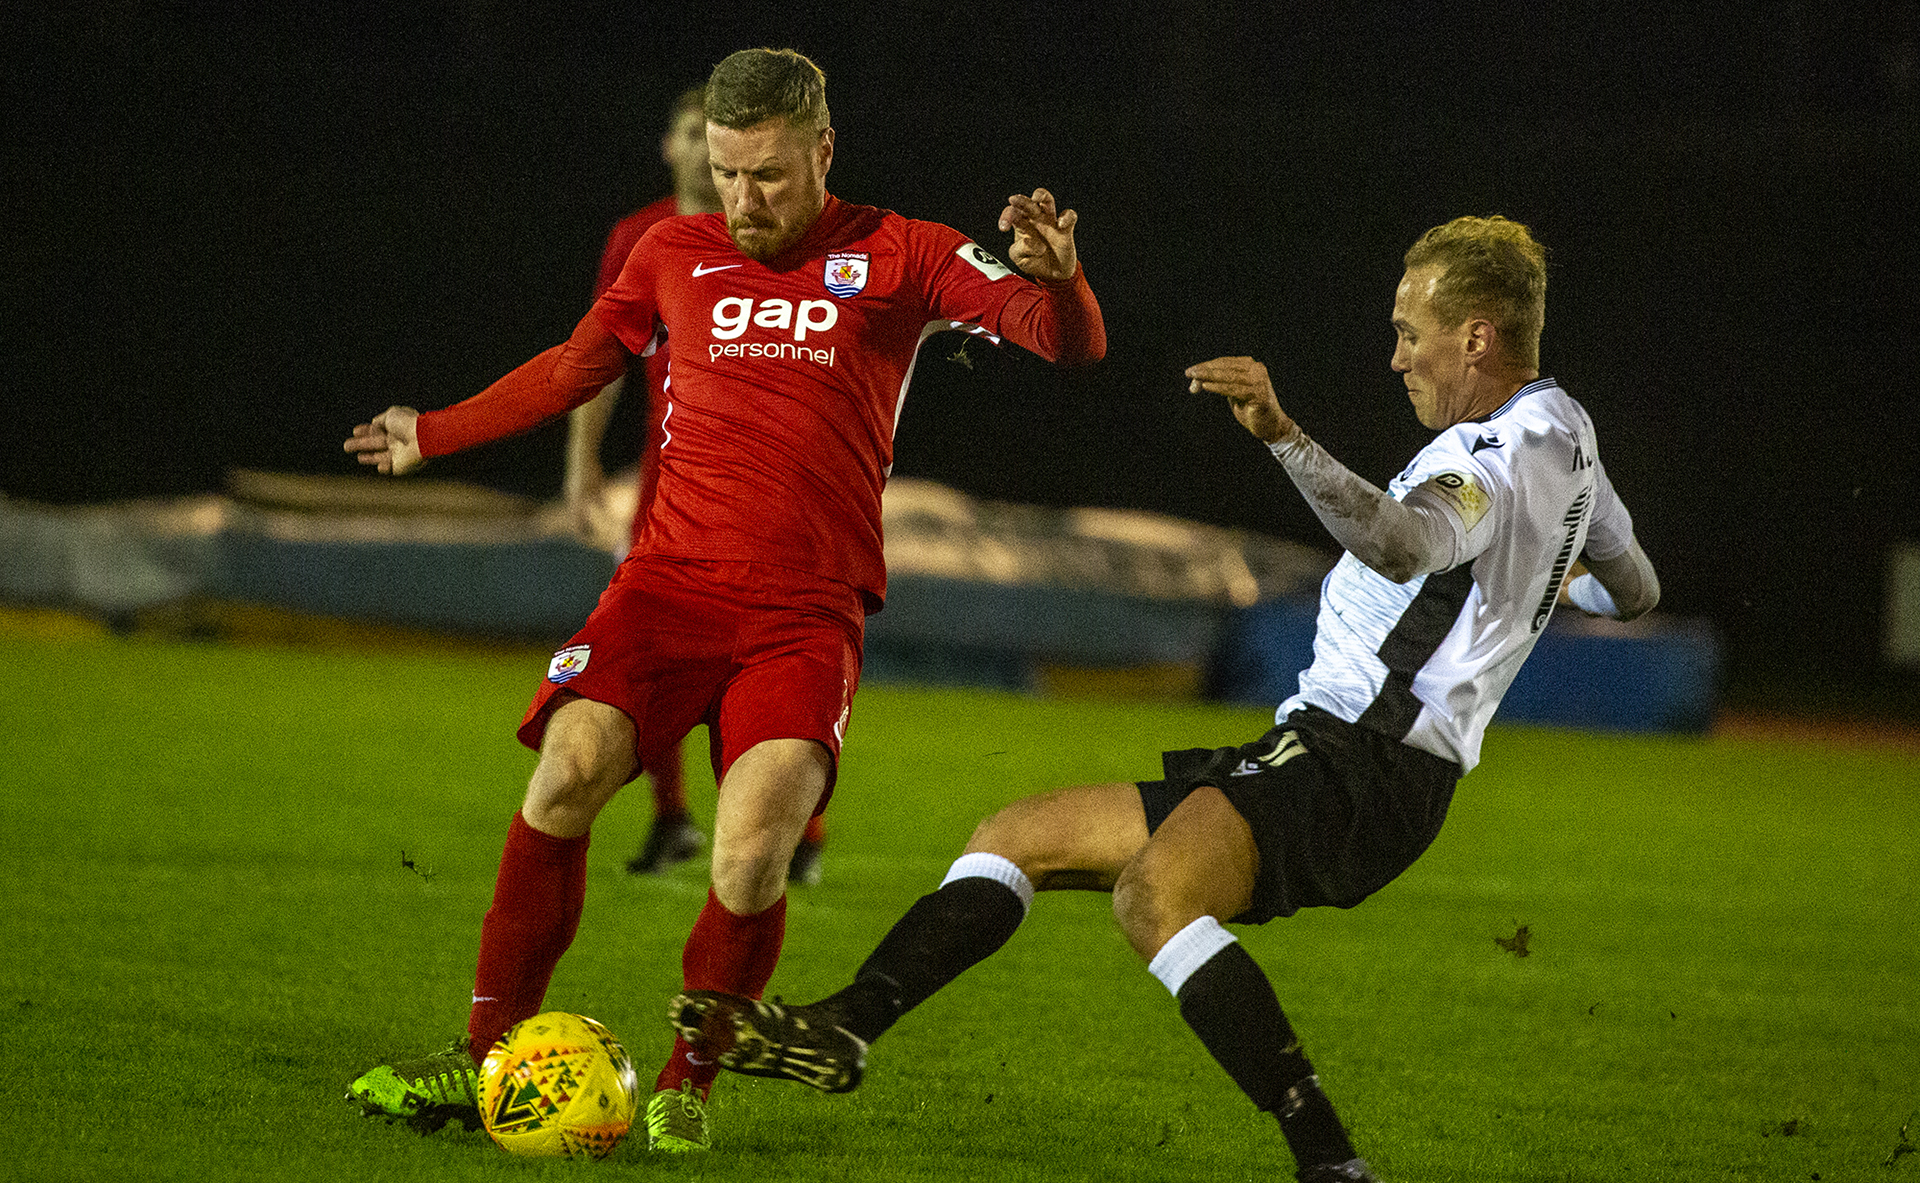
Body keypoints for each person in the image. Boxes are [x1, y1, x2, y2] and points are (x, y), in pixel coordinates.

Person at [669, 215, 1659, 1183]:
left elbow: (1404, 542)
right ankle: (846, 1024)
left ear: (1476, 335)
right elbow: (1635, 588)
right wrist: (1547, 581)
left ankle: (1329, 1156)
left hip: (1364, 755)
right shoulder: (1569, 433)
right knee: (1020, 832)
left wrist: (1283, 435)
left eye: (1410, 332)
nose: (1397, 357)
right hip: (1338, 749)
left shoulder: (1482, 455)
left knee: (1155, 897)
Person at [340, 46, 1106, 1154]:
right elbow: (573, 369)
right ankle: (480, 1058)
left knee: (750, 855)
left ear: (823, 151)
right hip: (663, 590)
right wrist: (434, 434)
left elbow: (1067, 345)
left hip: (804, 616)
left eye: (769, 177)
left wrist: (1061, 279)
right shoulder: (670, 251)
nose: (742, 201)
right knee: (564, 775)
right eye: (726, 173)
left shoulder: (907, 254)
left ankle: (688, 1080)